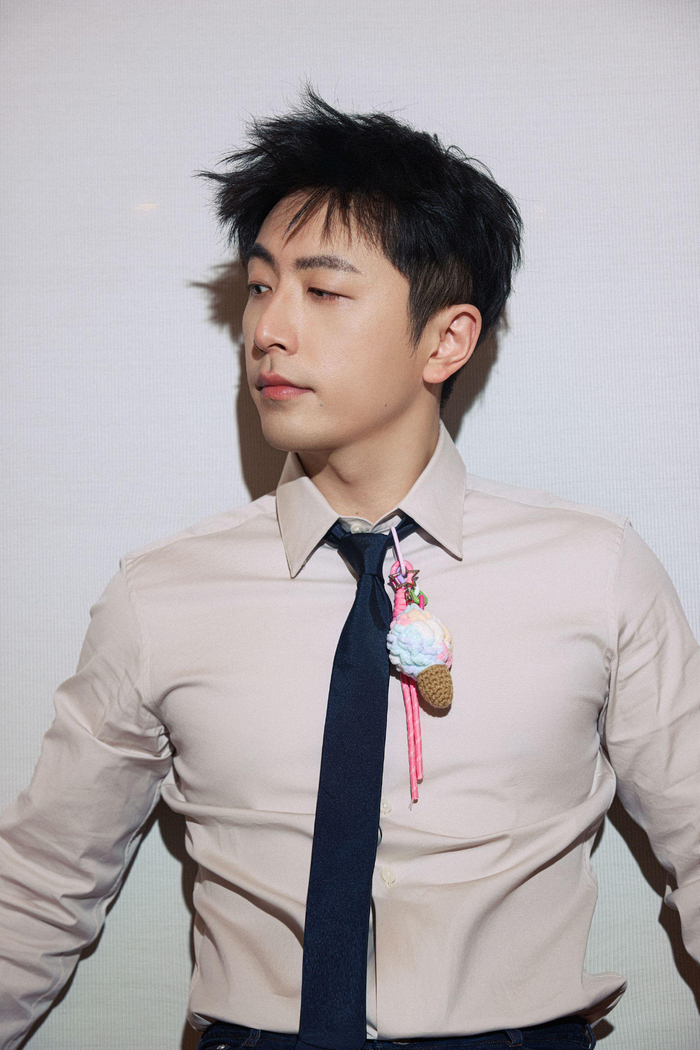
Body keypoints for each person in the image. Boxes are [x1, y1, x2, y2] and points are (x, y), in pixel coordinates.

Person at [1, 83, 698, 1050]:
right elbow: (39, 888)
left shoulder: (596, 570)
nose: (267, 331)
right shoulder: (160, 595)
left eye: (322, 292)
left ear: (446, 339)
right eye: (259, 288)